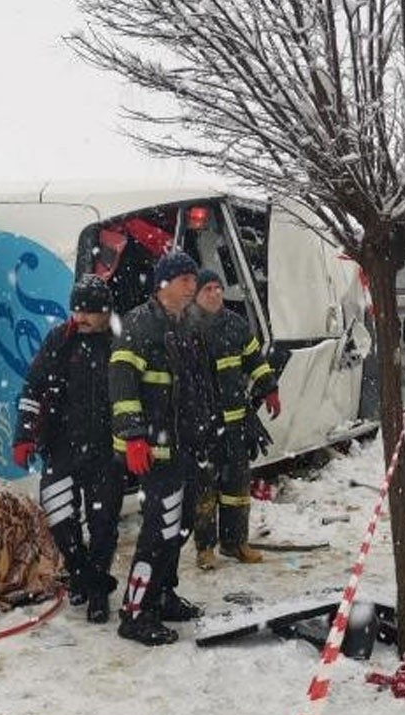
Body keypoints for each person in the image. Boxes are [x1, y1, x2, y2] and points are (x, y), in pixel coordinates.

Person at [110, 251, 217, 646]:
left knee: (182, 525)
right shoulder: (142, 323)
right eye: (185, 279)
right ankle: (136, 612)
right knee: (159, 531)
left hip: (185, 449)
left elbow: (196, 386)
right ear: (164, 283)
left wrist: (209, 430)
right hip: (156, 451)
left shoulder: (186, 325)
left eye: (194, 279)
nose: (193, 285)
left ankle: (164, 594)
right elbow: (121, 381)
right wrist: (135, 436)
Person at [12, 275, 121, 624]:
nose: (82, 317)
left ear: (106, 312)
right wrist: (23, 436)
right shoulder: (59, 340)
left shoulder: (120, 344)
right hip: (61, 446)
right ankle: (81, 575)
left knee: (104, 524)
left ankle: (98, 593)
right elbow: (32, 388)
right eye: (77, 309)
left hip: (107, 450)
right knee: (60, 518)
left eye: (90, 311)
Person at [191, 268, 281, 570]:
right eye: (208, 289)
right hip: (202, 429)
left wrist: (270, 389)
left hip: (237, 426)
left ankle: (235, 543)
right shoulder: (185, 328)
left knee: (237, 489)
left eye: (218, 287)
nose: (215, 293)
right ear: (196, 294)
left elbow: (255, 360)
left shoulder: (236, 324)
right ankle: (205, 549)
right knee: (205, 492)